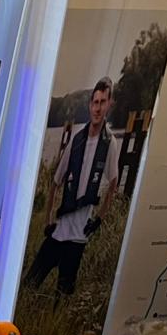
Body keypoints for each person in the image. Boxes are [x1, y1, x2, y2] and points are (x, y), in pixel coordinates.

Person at [24, 78, 119, 298]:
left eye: (102, 102)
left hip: (78, 237)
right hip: (59, 230)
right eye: (95, 102)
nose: (98, 108)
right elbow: (56, 181)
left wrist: (99, 219)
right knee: (30, 284)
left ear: (109, 104)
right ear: (90, 105)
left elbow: (113, 182)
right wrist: (48, 220)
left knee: (63, 294)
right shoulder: (77, 140)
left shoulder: (110, 144)